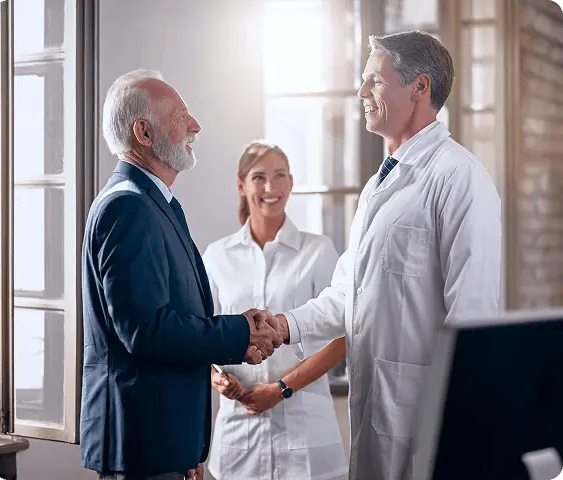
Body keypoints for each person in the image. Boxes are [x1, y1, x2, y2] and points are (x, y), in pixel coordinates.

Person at [273, 30, 502, 480]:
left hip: (426, 427)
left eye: (374, 81)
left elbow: (472, 318)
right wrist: (284, 325)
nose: (361, 93)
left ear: (419, 88)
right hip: (377, 420)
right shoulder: (380, 185)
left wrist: (463, 435)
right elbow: (347, 294)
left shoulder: (459, 178)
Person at [80, 70, 283, 480]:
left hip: (164, 444)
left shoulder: (153, 202)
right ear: (144, 132)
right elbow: (145, 330)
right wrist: (241, 333)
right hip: (141, 445)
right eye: (180, 115)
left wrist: (186, 448)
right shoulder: (129, 207)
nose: (195, 126)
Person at [202, 140, 349, 480]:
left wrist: (281, 388)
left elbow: (341, 337)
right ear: (241, 184)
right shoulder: (216, 256)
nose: (271, 187)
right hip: (238, 437)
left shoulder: (318, 251)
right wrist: (216, 378)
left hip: (306, 435)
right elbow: (202, 334)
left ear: (291, 183)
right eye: (259, 177)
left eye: (279, 175)